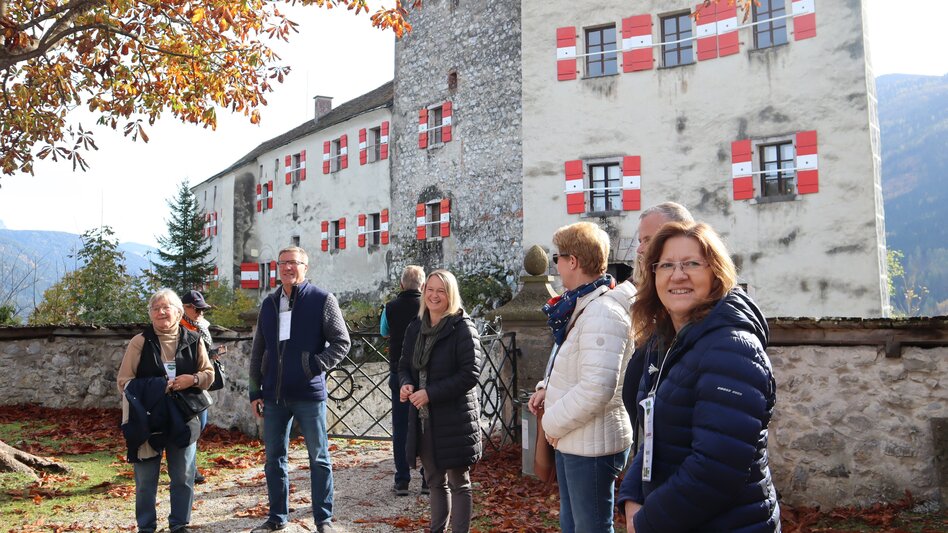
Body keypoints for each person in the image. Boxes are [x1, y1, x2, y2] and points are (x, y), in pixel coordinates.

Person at [617, 222, 780, 532]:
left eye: (692, 263)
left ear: (715, 274)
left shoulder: (731, 349)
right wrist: (633, 496)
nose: (678, 275)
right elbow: (654, 436)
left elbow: (716, 471)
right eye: (666, 265)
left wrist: (646, 522)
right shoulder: (667, 342)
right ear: (653, 275)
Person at [527, 221, 635, 533]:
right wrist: (547, 388)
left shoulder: (601, 311)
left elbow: (597, 388)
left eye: (557, 258)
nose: (555, 265)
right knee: (572, 525)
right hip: (576, 437)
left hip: (591, 443)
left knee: (590, 528)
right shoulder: (584, 304)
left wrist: (551, 424)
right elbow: (574, 361)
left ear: (573, 261)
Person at [248, 246, 351, 533]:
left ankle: (324, 520)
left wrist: (313, 366)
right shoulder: (269, 304)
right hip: (274, 396)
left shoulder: (322, 300)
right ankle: (277, 518)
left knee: (318, 458)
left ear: (306, 267)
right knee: (274, 460)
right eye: (283, 263)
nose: (288, 268)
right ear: (277, 268)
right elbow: (258, 351)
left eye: (294, 263)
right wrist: (255, 391)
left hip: (309, 393)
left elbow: (343, 342)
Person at [117, 288, 214, 533]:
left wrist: (191, 380)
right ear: (150, 314)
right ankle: (146, 527)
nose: (161, 312)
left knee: (183, 476)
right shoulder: (139, 342)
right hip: (147, 419)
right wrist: (160, 386)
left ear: (179, 311)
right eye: (156, 308)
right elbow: (124, 381)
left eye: (166, 307)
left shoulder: (193, 339)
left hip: (183, 417)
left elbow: (209, 375)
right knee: (146, 480)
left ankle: (180, 524)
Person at [398, 269, 483, 533]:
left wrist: (430, 393)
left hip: (455, 418)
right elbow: (403, 366)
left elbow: (470, 374)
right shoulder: (416, 326)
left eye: (441, 291)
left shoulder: (462, 327)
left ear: (451, 295)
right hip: (424, 419)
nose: (434, 296)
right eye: (430, 290)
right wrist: (406, 384)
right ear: (423, 292)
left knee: (459, 482)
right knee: (434, 481)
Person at [622, 202, 694, 449]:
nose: (640, 248)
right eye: (641, 240)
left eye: (648, 239)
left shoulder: (702, 330)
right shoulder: (656, 313)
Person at [380, 265, 429, 496]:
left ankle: (402, 480)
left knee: (400, 427)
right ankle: (428, 478)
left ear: (401, 285)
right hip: (425, 372)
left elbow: (383, 332)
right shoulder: (428, 305)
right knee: (427, 425)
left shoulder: (390, 307)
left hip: (398, 372)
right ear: (422, 285)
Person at [180, 289, 226, 484]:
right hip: (185, 384)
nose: (200, 314)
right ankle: (189, 469)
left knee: (199, 425)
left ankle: (188, 467)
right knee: (191, 427)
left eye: (202, 310)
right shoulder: (178, 327)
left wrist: (213, 354)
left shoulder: (200, 326)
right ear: (185, 308)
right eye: (196, 310)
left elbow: (202, 354)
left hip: (200, 382)